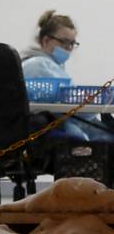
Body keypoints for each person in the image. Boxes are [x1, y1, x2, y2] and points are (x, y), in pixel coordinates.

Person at [21, 10, 114, 142]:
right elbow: (72, 109)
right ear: (46, 40)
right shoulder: (38, 66)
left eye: (72, 43)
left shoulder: (52, 66)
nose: (69, 48)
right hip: (53, 132)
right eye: (64, 42)